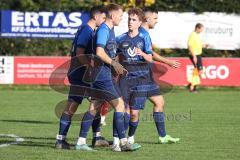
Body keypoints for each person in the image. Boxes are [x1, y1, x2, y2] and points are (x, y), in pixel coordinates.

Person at [119, 7, 180, 146]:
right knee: (132, 110)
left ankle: (162, 136)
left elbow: (149, 54)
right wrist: (168, 61)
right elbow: (151, 54)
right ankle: (124, 138)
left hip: (147, 76)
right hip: (138, 77)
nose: (156, 21)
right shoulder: (141, 33)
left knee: (159, 102)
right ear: (147, 19)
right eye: (155, 18)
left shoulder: (143, 32)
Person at [55, 6, 107, 150]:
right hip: (81, 75)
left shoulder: (86, 30)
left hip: (78, 74)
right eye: (103, 18)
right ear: (96, 17)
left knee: (92, 104)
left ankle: (93, 137)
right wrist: (90, 67)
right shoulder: (87, 30)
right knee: (91, 104)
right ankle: (89, 138)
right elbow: (79, 54)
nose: (103, 21)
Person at [90, 3, 137, 152]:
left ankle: (82, 140)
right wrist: (114, 64)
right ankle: (122, 142)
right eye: (121, 16)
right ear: (113, 15)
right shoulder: (104, 29)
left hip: (105, 74)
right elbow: (99, 51)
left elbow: (110, 53)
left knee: (96, 106)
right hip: (102, 75)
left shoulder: (110, 30)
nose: (122, 19)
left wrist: (117, 64)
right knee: (119, 106)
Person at [187, 23, 208, 92]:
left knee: (198, 71)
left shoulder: (197, 35)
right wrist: (194, 56)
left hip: (198, 55)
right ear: (197, 28)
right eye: (201, 29)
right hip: (195, 55)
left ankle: (192, 86)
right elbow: (189, 46)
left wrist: (204, 46)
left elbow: (197, 45)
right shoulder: (192, 35)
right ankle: (192, 87)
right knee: (199, 71)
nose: (201, 31)